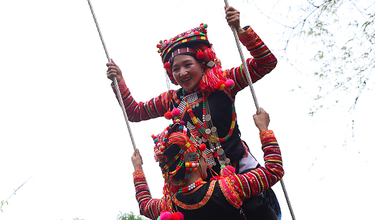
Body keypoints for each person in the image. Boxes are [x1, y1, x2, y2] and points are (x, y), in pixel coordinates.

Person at [131, 109, 321, 220]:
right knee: (253, 200)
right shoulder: (228, 187)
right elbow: (274, 170)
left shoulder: (167, 207)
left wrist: (138, 169)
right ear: (197, 161)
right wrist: (264, 129)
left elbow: (143, 204)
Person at [108, 6, 276, 176]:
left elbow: (266, 63)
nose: (182, 73)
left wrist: (240, 30)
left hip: (244, 171)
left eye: (188, 65)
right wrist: (120, 81)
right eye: (175, 69)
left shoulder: (222, 81)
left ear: (202, 62)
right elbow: (135, 112)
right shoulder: (171, 100)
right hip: (206, 185)